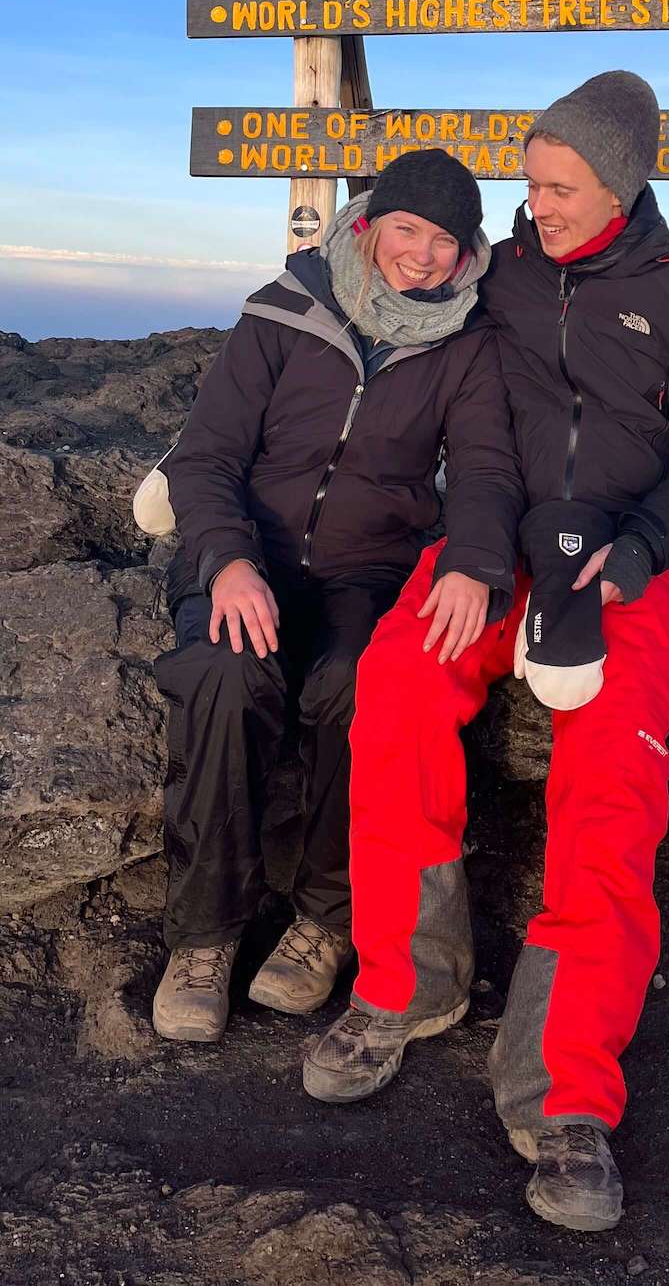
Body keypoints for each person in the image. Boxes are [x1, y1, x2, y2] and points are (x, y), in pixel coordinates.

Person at [304, 72, 669, 1233]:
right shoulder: (500, 278)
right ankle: (405, 984)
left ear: (622, 187)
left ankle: (566, 1095)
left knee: (611, 779)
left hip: (621, 563)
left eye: (558, 187)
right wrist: (466, 547)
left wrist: (641, 549)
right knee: (398, 681)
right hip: (494, 545)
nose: (535, 204)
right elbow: (462, 409)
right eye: (530, 181)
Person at [149, 149, 521, 1045]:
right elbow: (204, 459)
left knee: (357, 685)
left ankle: (325, 920)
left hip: (369, 571)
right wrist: (229, 561)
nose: (423, 256)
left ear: (467, 250)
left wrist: (472, 558)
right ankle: (204, 936)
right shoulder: (284, 311)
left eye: (444, 240)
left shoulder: (468, 344)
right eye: (407, 230)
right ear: (369, 223)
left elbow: (482, 468)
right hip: (251, 557)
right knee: (224, 677)